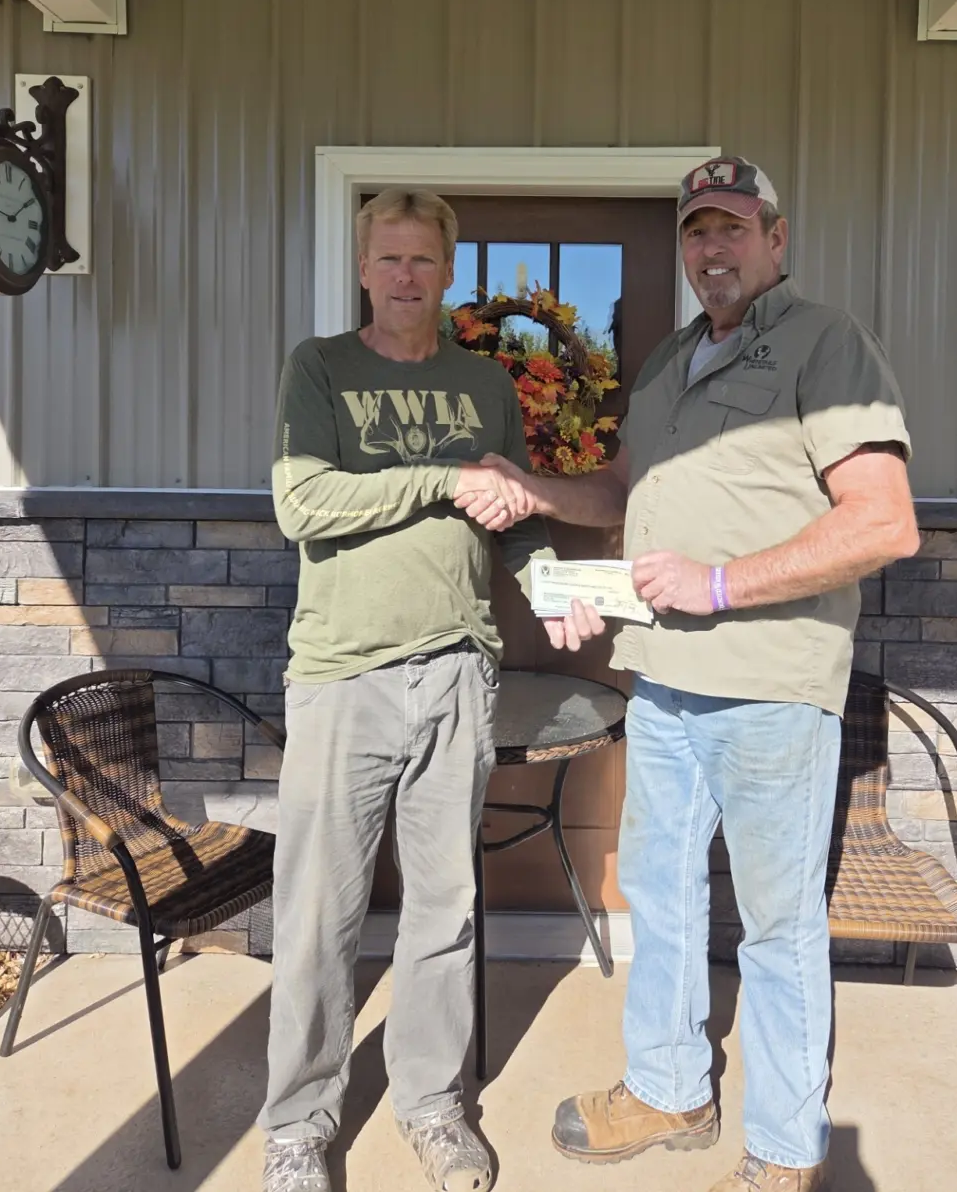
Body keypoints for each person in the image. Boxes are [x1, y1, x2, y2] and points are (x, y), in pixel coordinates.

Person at [455, 155, 919, 1192]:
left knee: (778, 927)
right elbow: (625, 493)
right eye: (697, 232)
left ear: (776, 237)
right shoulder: (667, 362)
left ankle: (787, 1151)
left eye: (733, 228)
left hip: (769, 690)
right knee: (659, 897)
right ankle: (671, 1089)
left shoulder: (826, 344)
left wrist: (717, 585)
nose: (712, 249)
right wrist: (529, 492)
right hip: (661, 683)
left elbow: (884, 523)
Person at [259, 187, 597, 1192]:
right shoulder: (318, 369)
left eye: (423, 261)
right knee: (318, 914)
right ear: (363, 267)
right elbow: (302, 503)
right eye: (389, 259)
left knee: (445, 908)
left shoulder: (484, 384)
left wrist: (551, 591)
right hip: (343, 675)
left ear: (448, 274)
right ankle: (296, 1127)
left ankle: (432, 1105)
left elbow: (516, 512)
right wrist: (443, 477)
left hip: (457, 669)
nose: (406, 277)